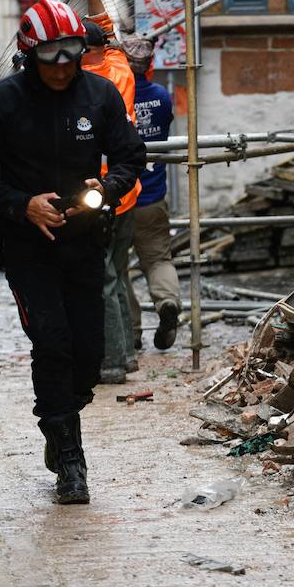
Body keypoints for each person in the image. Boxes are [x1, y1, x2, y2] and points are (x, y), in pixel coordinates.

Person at [0, 0, 145, 504]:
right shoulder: (2, 102)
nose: (63, 68)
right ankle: (70, 459)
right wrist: (23, 205)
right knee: (51, 341)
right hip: (27, 246)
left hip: (86, 239)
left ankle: (59, 420)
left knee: (87, 358)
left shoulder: (101, 95)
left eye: (71, 55)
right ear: (31, 55)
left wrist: (108, 190)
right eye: (52, 58)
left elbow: (132, 156)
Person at [76, 0, 141, 385]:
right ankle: (128, 354)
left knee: (102, 278)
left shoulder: (90, 84)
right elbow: (105, 28)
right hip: (129, 191)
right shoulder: (119, 65)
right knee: (117, 274)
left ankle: (113, 361)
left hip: (101, 191)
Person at [121, 36, 181, 351]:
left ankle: (130, 331)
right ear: (149, 65)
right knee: (158, 259)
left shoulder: (114, 95)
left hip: (116, 198)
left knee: (116, 268)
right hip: (153, 197)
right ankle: (167, 302)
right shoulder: (161, 97)